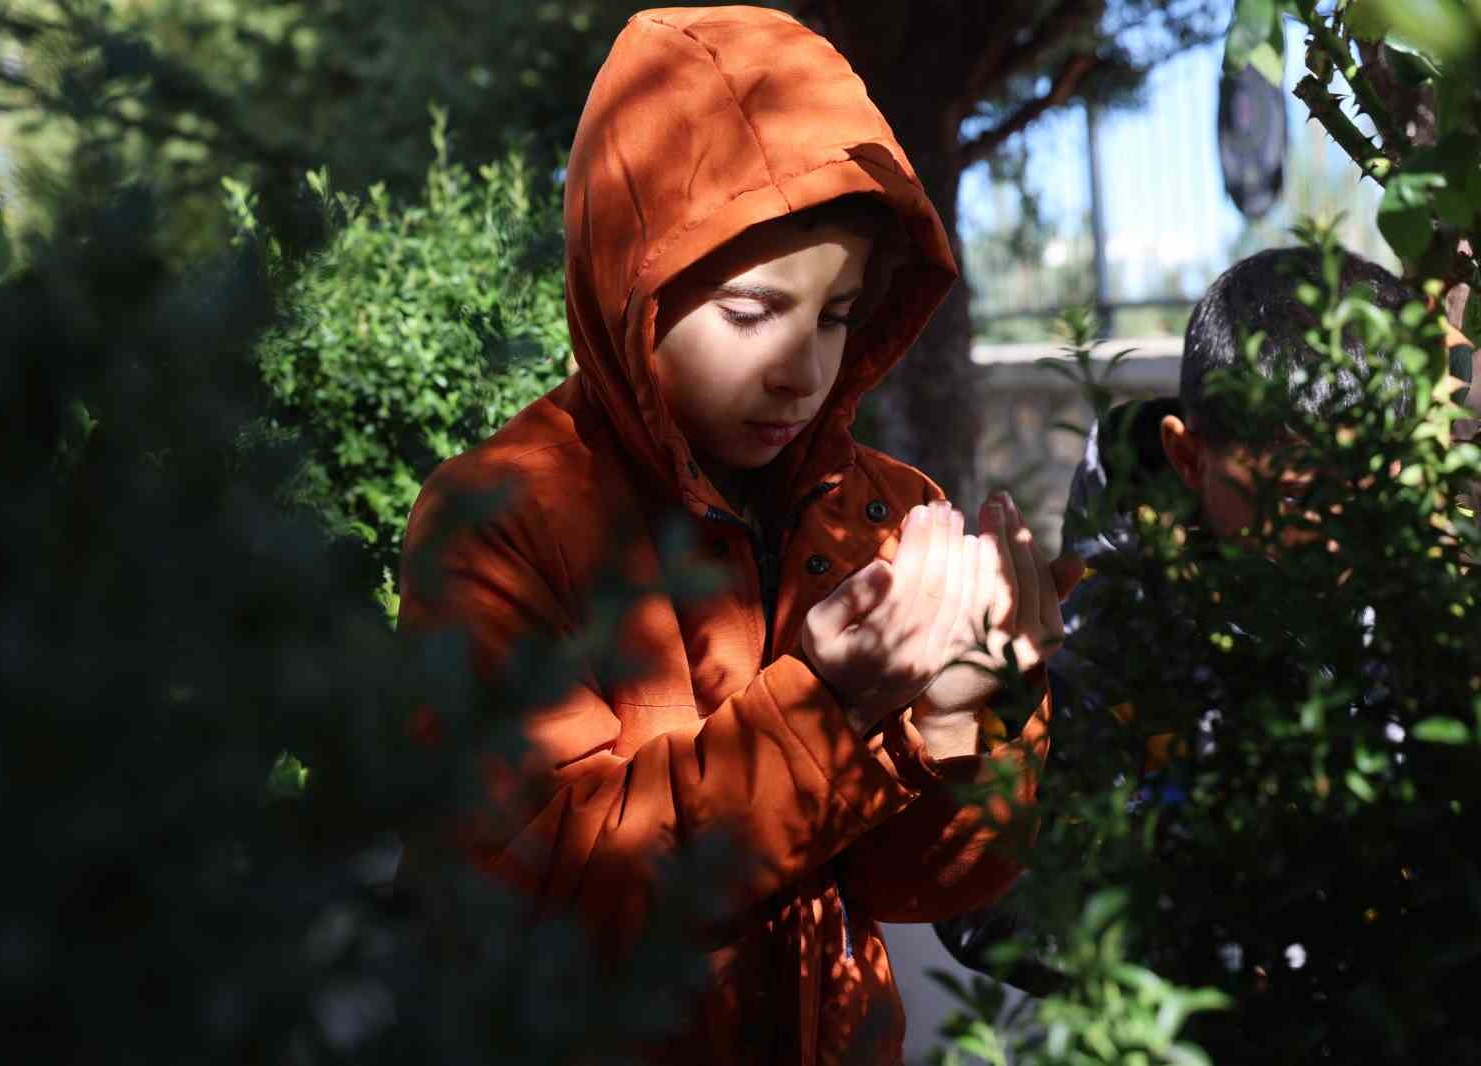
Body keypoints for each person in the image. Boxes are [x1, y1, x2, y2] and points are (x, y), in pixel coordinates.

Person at [394, 7, 1075, 1063]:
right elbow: (544, 892)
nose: (800, 369)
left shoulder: (880, 510)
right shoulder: (502, 516)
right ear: (632, 282)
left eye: (838, 314)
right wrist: (828, 706)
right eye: (753, 311)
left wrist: (964, 717)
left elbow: (917, 885)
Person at [935, 245, 1441, 992]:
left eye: (1379, 490)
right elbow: (990, 898)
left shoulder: (1421, 610)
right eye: (1300, 501)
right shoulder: (1105, 642)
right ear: (1188, 459)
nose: (1346, 536)